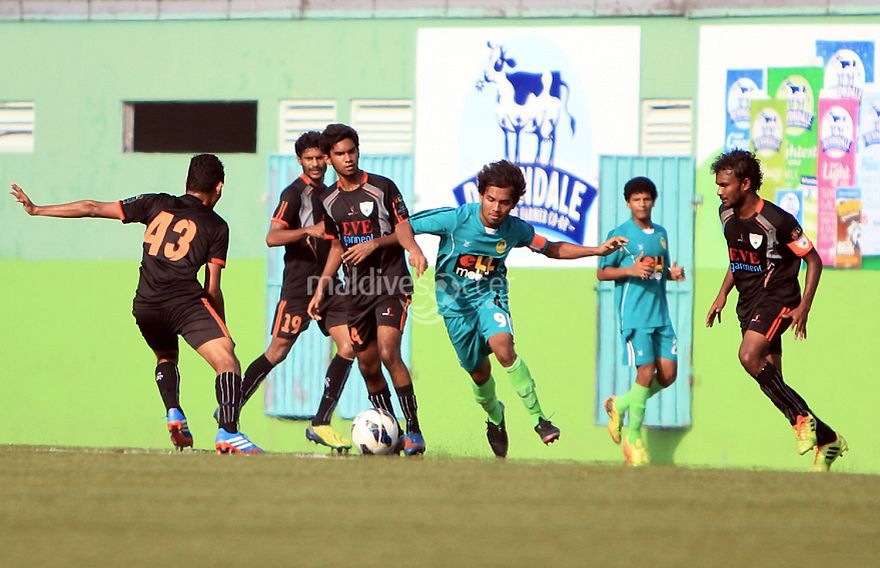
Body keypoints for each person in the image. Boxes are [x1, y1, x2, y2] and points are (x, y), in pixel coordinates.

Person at [10, 154, 262, 454]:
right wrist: (222, 327)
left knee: (166, 355)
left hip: (146, 305)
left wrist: (37, 209)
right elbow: (212, 288)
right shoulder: (217, 226)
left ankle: (174, 412)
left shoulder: (155, 202)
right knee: (227, 361)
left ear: (187, 181)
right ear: (219, 187)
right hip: (184, 302)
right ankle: (229, 432)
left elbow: (91, 207)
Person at [408, 160, 626, 458]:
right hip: (455, 307)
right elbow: (405, 226)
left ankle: (539, 419)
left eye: (504, 202)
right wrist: (412, 249)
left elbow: (552, 248)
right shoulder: (456, 219)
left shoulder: (516, 230)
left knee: (503, 347)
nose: (496, 208)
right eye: (491, 199)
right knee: (479, 374)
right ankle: (495, 417)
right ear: (481, 195)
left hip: (491, 297)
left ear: (513, 204)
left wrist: (597, 250)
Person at [706, 149, 846, 472]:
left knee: (747, 356)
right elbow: (738, 258)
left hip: (779, 296)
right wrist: (722, 294)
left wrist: (804, 306)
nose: (719, 191)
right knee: (771, 381)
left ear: (745, 184)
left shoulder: (777, 221)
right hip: (748, 302)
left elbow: (813, 260)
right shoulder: (725, 215)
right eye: (718, 185)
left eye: (725, 185)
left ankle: (801, 420)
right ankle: (828, 439)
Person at [307, 123, 429, 456]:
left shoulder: (382, 187)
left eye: (352, 151)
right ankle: (393, 431)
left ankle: (414, 430)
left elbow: (402, 227)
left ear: (358, 152)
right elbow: (336, 245)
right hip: (357, 291)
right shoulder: (327, 200)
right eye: (340, 154)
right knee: (368, 366)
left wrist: (409, 248)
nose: (348, 158)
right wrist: (321, 287)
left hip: (391, 282)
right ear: (329, 158)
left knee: (389, 352)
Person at [237, 131, 356, 453]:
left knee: (349, 345)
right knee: (277, 352)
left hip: (329, 285)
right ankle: (232, 408)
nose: (315, 164)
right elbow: (272, 237)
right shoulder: (294, 194)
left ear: (327, 159)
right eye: (309, 159)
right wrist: (307, 231)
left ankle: (320, 422)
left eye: (320, 158)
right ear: (300, 161)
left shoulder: (333, 194)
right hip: (298, 288)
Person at [597, 176, 685, 467]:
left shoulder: (661, 234)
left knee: (668, 375)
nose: (642, 204)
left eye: (646, 198)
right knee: (645, 373)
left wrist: (672, 274)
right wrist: (630, 271)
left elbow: (660, 269)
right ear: (628, 203)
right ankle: (633, 441)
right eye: (636, 199)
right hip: (634, 315)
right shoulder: (620, 235)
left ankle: (620, 404)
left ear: (653, 201)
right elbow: (602, 272)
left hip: (661, 315)